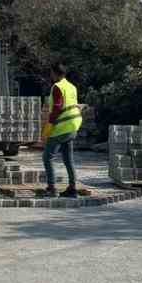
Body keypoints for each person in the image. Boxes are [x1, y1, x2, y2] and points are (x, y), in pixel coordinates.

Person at [42, 61, 83, 197]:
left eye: (51, 73)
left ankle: (52, 188)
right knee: (68, 159)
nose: (50, 75)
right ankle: (72, 188)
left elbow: (58, 107)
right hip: (73, 125)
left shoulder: (57, 87)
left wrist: (48, 127)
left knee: (47, 157)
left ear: (54, 73)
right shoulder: (72, 87)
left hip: (62, 127)